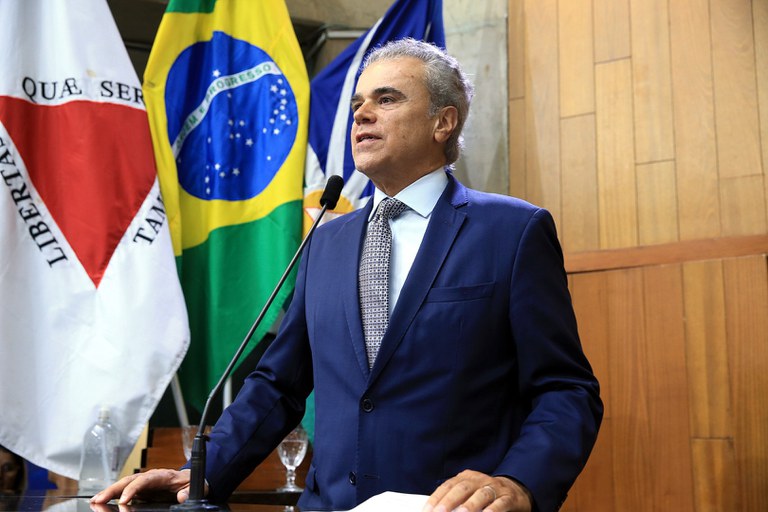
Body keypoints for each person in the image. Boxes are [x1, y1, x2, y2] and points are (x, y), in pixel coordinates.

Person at [92, 38, 602, 512]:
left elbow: (565, 388)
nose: (361, 113)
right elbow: (278, 384)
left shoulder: (512, 231)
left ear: (443, 122)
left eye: (387, 99)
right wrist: (199, 474)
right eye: (358, 102)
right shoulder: (325, 240)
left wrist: (519, 481)